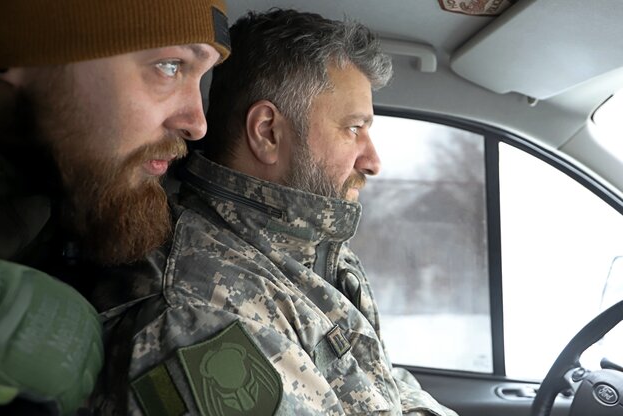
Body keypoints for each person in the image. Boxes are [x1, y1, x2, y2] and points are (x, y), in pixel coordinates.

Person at [91, 8, 458, 415]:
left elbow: (381, 381)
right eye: (354, 129)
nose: (372, 161)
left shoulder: (303, 253)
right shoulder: (200, 313)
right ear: (267, 132)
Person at [0, 1, 231, 414]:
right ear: (25, 54)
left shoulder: (72, 198)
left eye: (203, 76)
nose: (198, 123)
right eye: (170, 65)